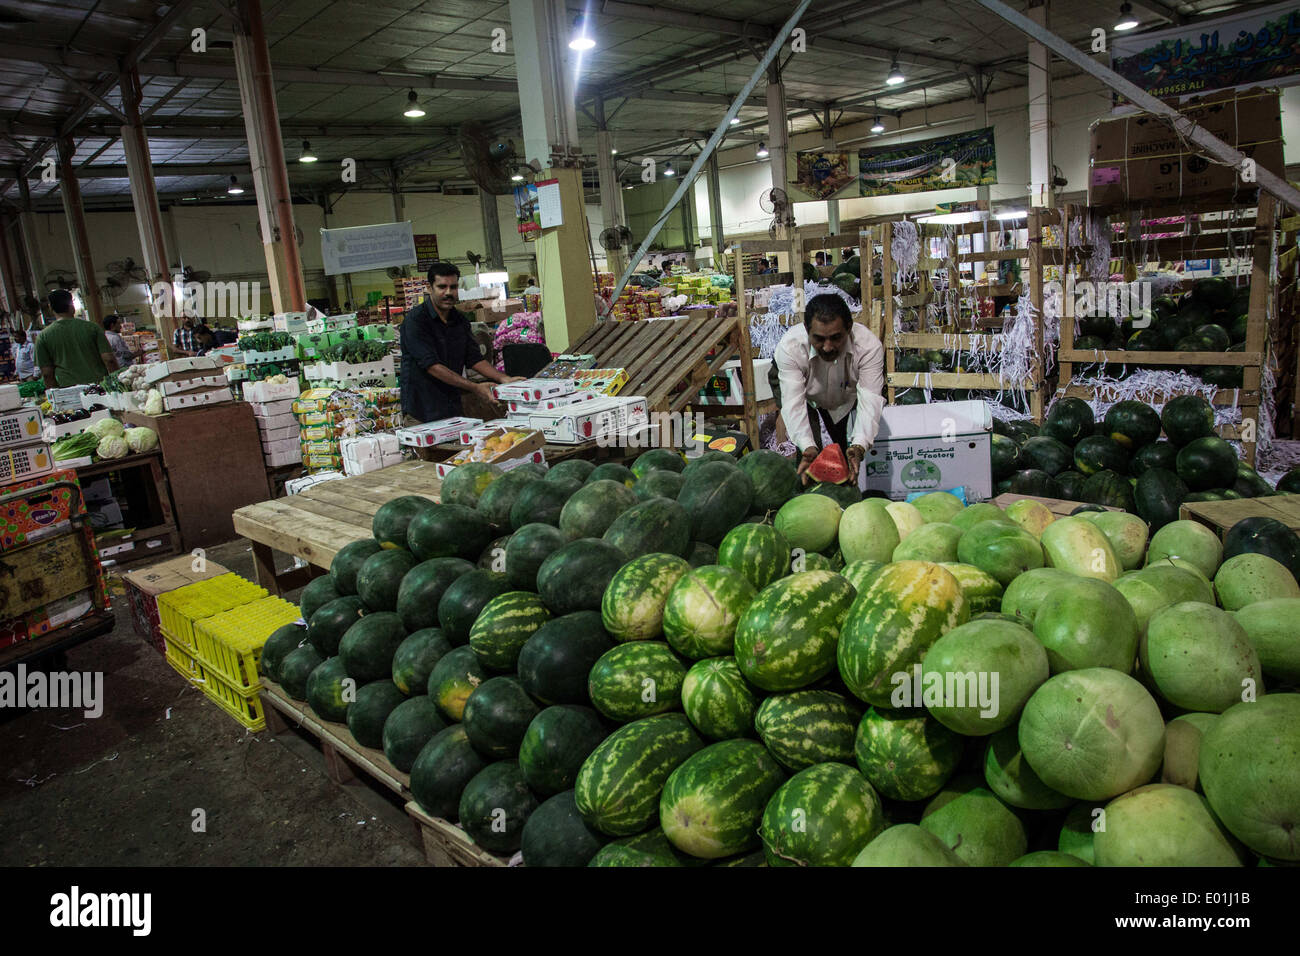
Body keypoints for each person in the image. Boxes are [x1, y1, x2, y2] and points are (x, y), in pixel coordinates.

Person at [774, 293, 885, 483]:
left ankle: (844, 488)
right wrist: (807, 446)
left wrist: (859, 445)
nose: (827, 347)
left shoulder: (868, 347)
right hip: (803, 391)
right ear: (807, 330)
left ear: (849, 329)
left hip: (844, 393)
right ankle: (807, 490)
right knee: (808, 446)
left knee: (843, 445)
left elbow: (870, 400)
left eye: (835, 338)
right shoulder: (790, 348)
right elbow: (794, 404)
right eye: (818, 339)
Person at [399, 261, 525, 424]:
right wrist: (475, 387)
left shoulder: (459, 321)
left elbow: (474, 358)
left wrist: (503, 379)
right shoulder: (415, 321)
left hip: (452, 407)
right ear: (429, 288)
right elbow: (432, 366)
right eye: (442, 287)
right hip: (422, 410)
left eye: (453, 287)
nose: (448, 292)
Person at [35, 289, 117, 388]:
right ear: (72, 306)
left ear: (51, 309)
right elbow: (109, 359)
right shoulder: (92, 328)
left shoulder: (43, 337)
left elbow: (47, 374)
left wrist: (57, 395)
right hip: (99, 387)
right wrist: (115, 384)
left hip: (67, 390)